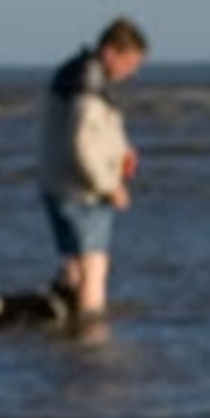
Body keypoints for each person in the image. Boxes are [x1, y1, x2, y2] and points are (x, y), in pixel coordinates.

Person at [40, 16, 148, 320]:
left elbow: (89, 133)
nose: (131, 72)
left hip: (56, 184)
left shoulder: (73, 75)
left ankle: (66, 326)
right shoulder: (89, 83)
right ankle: (91, 338)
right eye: (129, 63)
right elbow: (83, 143)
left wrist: (122, 150)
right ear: (110, 52)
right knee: (94, 267)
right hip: (82, 191)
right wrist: (109, 186)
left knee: (75, 265)